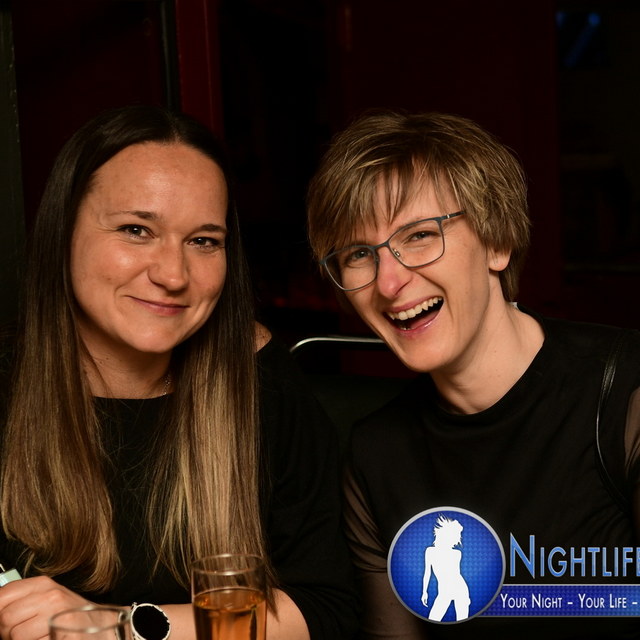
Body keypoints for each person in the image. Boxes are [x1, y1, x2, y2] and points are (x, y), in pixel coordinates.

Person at [0, 105, 358, 640]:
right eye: (136, 230)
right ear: (63, 231)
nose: (173, 275)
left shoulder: (261, 381)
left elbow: (325, 610)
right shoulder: (8, 385)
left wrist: (119, 628)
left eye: (203, 241)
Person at [306, 110, 640, 638]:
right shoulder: (376, 456)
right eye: (359, 254)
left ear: (497, 242)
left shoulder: (626, 393)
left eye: (419, 235)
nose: (389, 282)